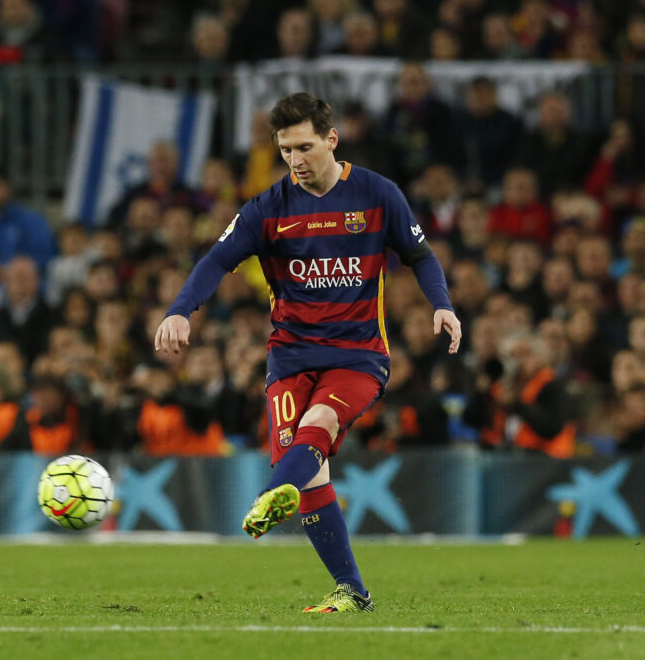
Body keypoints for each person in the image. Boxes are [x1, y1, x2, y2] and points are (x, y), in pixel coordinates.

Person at [154, 93, 461, 613]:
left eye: (304, 147)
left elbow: (421, 256)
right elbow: (216, 260)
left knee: (317, 426)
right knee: (309, 472)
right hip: (290, 357)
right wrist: (181, 310)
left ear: (331, 139)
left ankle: (268, 496)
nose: (294, 160)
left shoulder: (377, 194)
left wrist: (443, 305)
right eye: (285, 150)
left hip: (358, 355)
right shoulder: (267, 208)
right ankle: (352, 590)